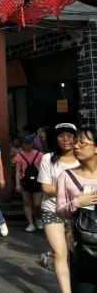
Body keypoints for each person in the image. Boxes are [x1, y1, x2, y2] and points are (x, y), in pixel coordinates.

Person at [38, 123, 79, 293]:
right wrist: (73, 193)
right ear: (56, 139)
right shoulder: (48, 158)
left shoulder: (82, 159)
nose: (66, 139)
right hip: (52, 209)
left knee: (72, 253)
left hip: (77, 211)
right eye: (61, 136)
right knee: (59, 252)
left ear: (75, 138)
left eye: (69, 135)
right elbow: (46, 187)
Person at [56, 127, 97, 292]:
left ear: (96, 148)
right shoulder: (66, 176)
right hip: (83, 248)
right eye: (76, 143)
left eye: (82, 143)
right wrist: (78, 202)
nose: (76, 146)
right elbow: (60, 211)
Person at [15, 136, 44, 232]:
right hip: (25, 181)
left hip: (37, 180)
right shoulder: (19, 155)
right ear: (23, 144)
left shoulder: (39, 154)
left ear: (32, 144)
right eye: (25, 143)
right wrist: (17, 184)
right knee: (26, 202)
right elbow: (18, 171)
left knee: (37, 203)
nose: (28, 145)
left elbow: (44, 168)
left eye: (29, 143)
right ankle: (30, 223)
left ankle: (39, 218)